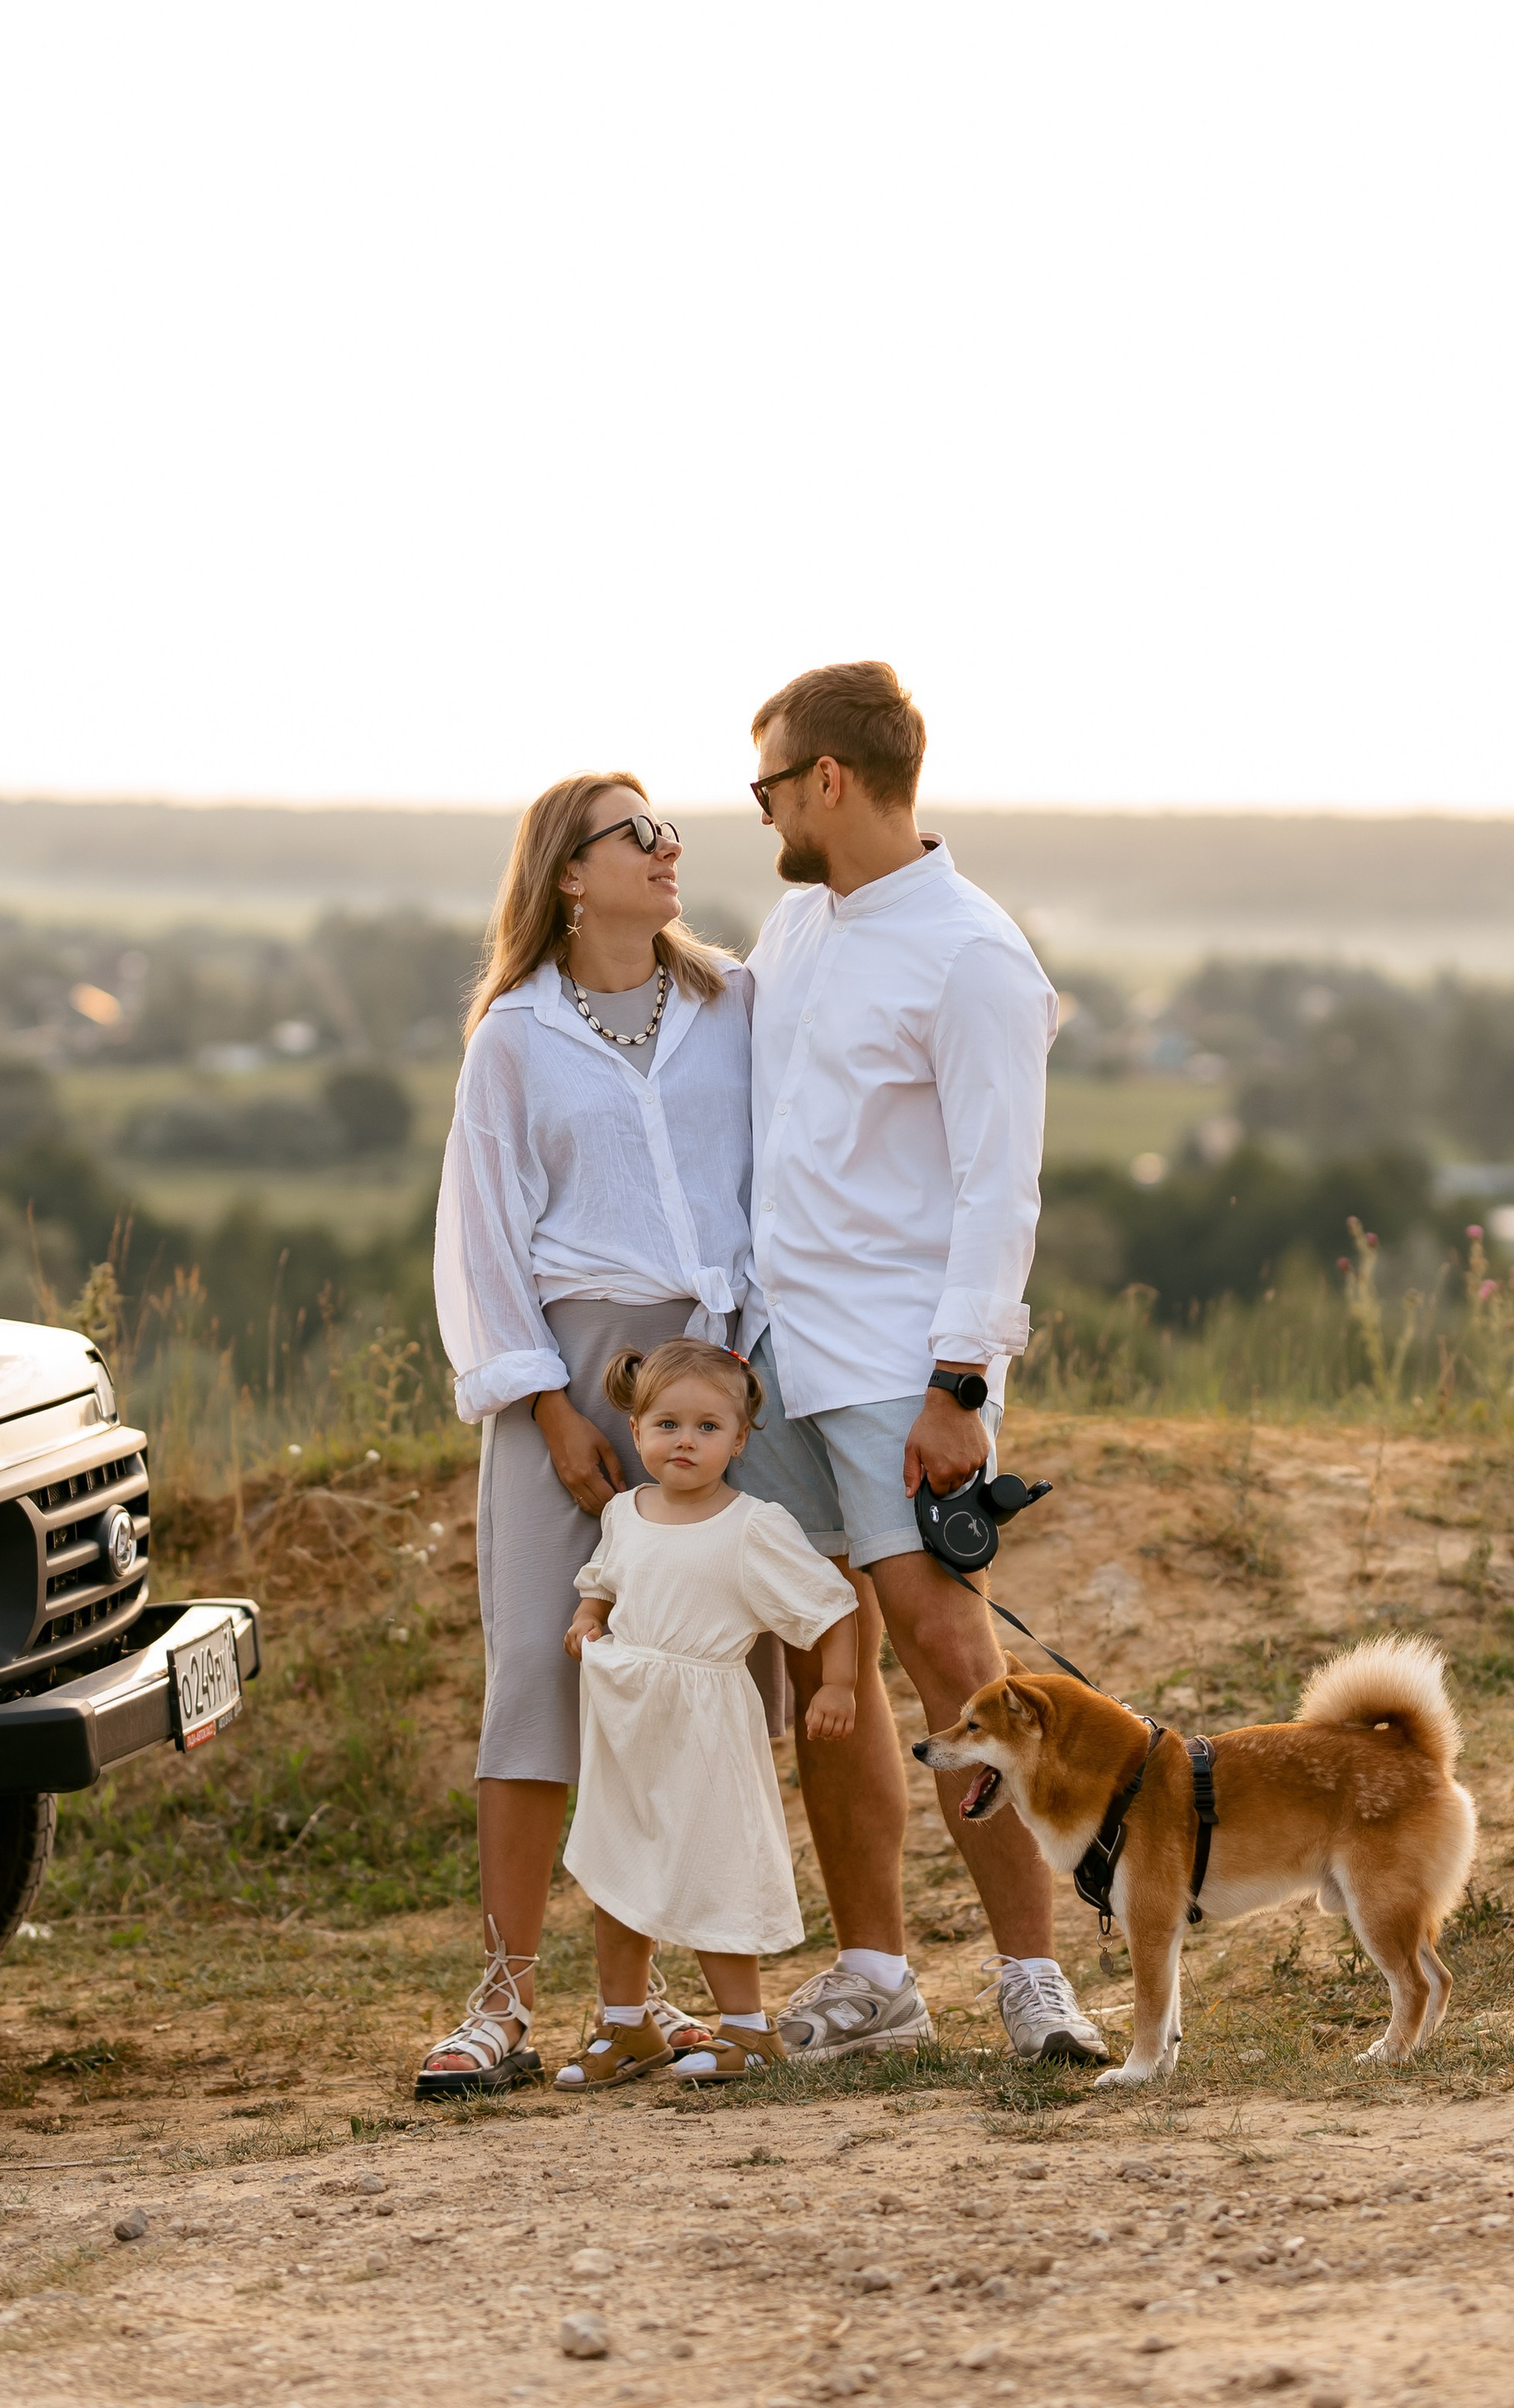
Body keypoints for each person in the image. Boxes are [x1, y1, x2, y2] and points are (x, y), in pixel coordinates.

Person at [737, 659, 1111, 2067]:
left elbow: (998, 1188)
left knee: (954, 1658)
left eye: (771, 783)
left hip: (903, 1363)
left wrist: (961, 1388)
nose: (763, 810)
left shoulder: (973, 955)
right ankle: (877, 1978)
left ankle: (1034, 1980)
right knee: (822, 1664)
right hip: (775, 1352)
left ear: (829, 780)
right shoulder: (793, 926)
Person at [415, 774, 760, 2098]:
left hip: (713, 1371)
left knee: (674, 1679)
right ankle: (502, 2002)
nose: (671, 848)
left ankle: (643, 1998)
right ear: (569, 871)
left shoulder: (733, 1004)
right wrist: (548, 1406)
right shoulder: (514, 1035)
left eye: (670, 830)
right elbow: (483, 1233)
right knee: (535, 1674)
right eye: (640, 834)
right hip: (562, 1366)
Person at [553, 1338, 861, 2089]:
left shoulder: (753, 1525)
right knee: (620, 1865)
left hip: (706, 1723)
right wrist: (588, 1619)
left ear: (740, 1439)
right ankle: (626, 2025)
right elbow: (603, 1582)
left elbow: (830, 1606)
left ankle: (747, 2029)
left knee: (714, 1861)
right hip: (627, 1718)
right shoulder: (624, 1512)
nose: (685, 1441)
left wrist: (838, 1685)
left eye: (707, 1427)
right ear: (636, 1430)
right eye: (667, 1425)